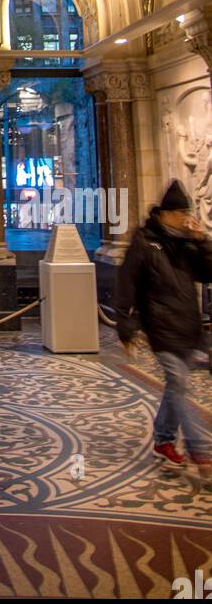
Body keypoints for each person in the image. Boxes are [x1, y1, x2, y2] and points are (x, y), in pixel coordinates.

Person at [116, 180, 212, 482]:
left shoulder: (185, 243)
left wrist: (201, 240)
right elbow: (126, 285)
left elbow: (208, 273)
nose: (185, 217)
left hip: (188, 325)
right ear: (165, 214)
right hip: (161, 327)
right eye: (181, 212)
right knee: (180, 386)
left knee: (176, 387)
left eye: (188, 212)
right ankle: (201, 450)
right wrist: (126, 328)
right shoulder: (144, 242)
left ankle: (163, 439)